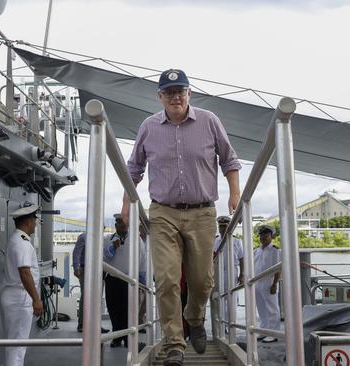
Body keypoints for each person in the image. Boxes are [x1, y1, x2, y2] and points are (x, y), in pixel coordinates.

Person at [123, 68, 241, 365]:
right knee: (166, 280)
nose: (176, 96)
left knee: (202, 281)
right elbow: (133, 169)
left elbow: (229, 160)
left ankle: (195, 317)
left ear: (190, 93)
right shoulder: (149, 127)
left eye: (181, 91)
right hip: (163, 212)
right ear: (160, 96)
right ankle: (175, 343)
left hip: (202, 212)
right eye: (169, 92)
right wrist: (126, 204)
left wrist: (235, 194)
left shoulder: (209, 121)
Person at [0, 203, 42, 366]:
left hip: (15, 296)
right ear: (28, 222)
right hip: (19, 298)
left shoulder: (16, 239)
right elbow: (25, 272)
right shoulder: (22, 243)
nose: (36, 223)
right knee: (17, 346)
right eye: (35, 220)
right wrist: (36, 299)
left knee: (13, 344)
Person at [102, 214, 147, 347]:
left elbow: (142, 259)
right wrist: (112, 248)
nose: (122, 226)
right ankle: (117, 337)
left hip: (129, 279)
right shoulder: (107, 239)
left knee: (128, 310)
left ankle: (128, 339)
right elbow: (104, 257)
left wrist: (142, 279)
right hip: (112, 279)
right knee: (113, 309)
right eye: (120, 223)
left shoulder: (136, 240)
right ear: (115, 225)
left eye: (124, 223)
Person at [72, 231, 110, 334]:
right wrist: (76, 267)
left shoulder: (103, 239)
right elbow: (77, 252)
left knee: (97, 298)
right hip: (86, 270)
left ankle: (96, 325)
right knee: (86, 297)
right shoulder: (83, 237)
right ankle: (82, 324)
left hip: (99, 270)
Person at [213, 215, 244, 324]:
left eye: (225, 226)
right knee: (219, 300)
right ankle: (222, 325)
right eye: (220, 227)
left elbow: (241, 258)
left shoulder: (236, 241)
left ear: (229, 227)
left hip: (232, 273)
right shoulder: (214, 241)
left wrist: (242, 274)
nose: (222, 229)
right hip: (217, 274)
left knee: (231, 300)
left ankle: (231, 324)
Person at [253, 224, 281, 343]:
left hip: (269, 281)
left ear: (271, 236)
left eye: (266, 235)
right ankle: (264, 330)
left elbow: (278, 268)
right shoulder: (256, 251)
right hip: (257, 282)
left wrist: (275, 284)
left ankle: (274, 333)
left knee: (272, 308)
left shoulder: (275, 250)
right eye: (261, 235)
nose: (263, 237)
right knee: (261, 307)